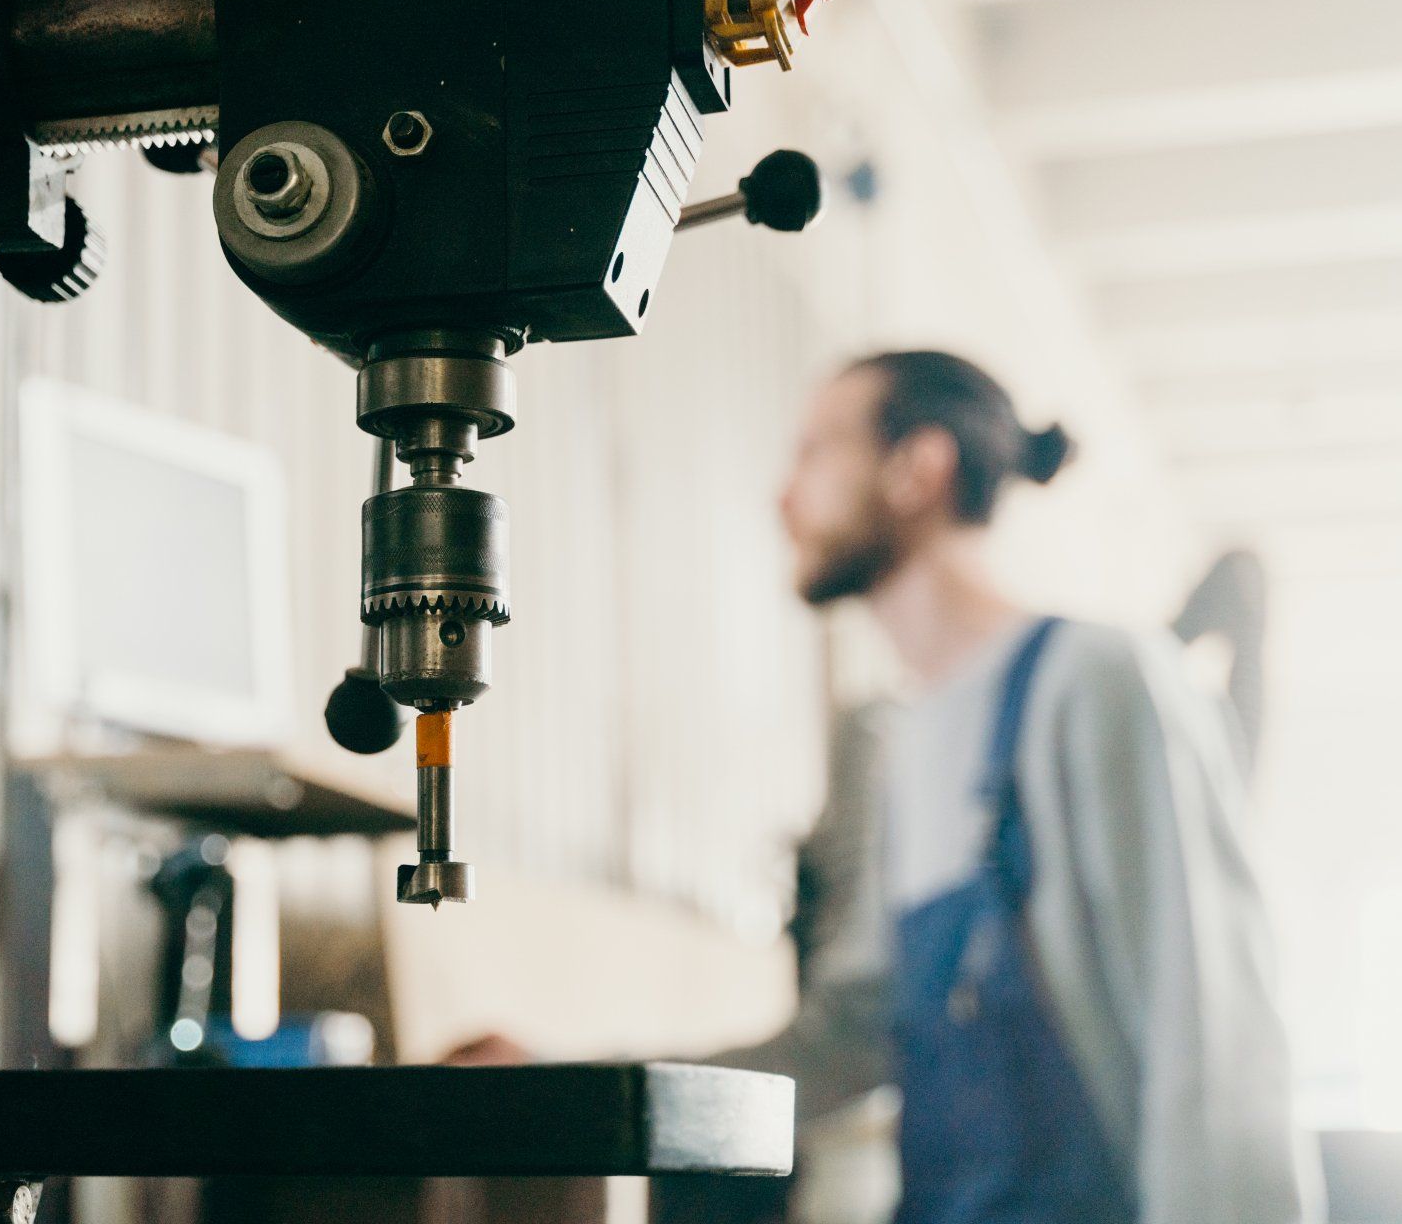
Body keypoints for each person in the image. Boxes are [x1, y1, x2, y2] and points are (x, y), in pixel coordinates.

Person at [450, 350, 1321, 1224]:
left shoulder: (1095, 680)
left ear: (919, 468)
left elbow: (1217, 1047)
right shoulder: (911, 744)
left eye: (815, 452)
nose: (782, 498)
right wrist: (565, 1089)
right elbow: (845, 1040)